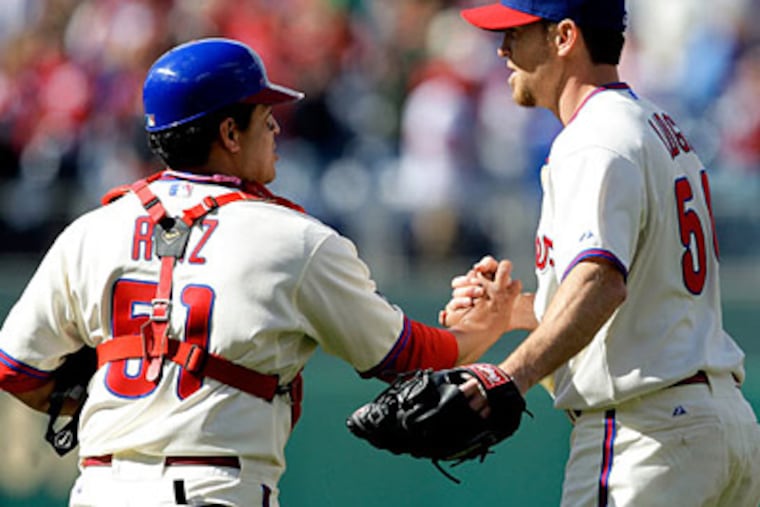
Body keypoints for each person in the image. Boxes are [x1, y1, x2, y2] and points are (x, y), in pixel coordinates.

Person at [0, 37, 522, 506]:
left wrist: (125, 403)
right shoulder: (292, 239)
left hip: (98, 489)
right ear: (229, 131)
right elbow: (407, 357)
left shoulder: (91, 230)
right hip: (214, 489)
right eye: (263, 112)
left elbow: (16, 369)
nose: (275, 125)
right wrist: (487, 326)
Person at [444, 1, 760, 505]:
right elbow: (641, 296)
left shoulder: (593, 140)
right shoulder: (656, 125)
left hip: (647, 438)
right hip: (720, 427)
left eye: (516, 34)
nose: (502, 50)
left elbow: (600, 283)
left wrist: (509, 377)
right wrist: (517, 312)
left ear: (564, 37)